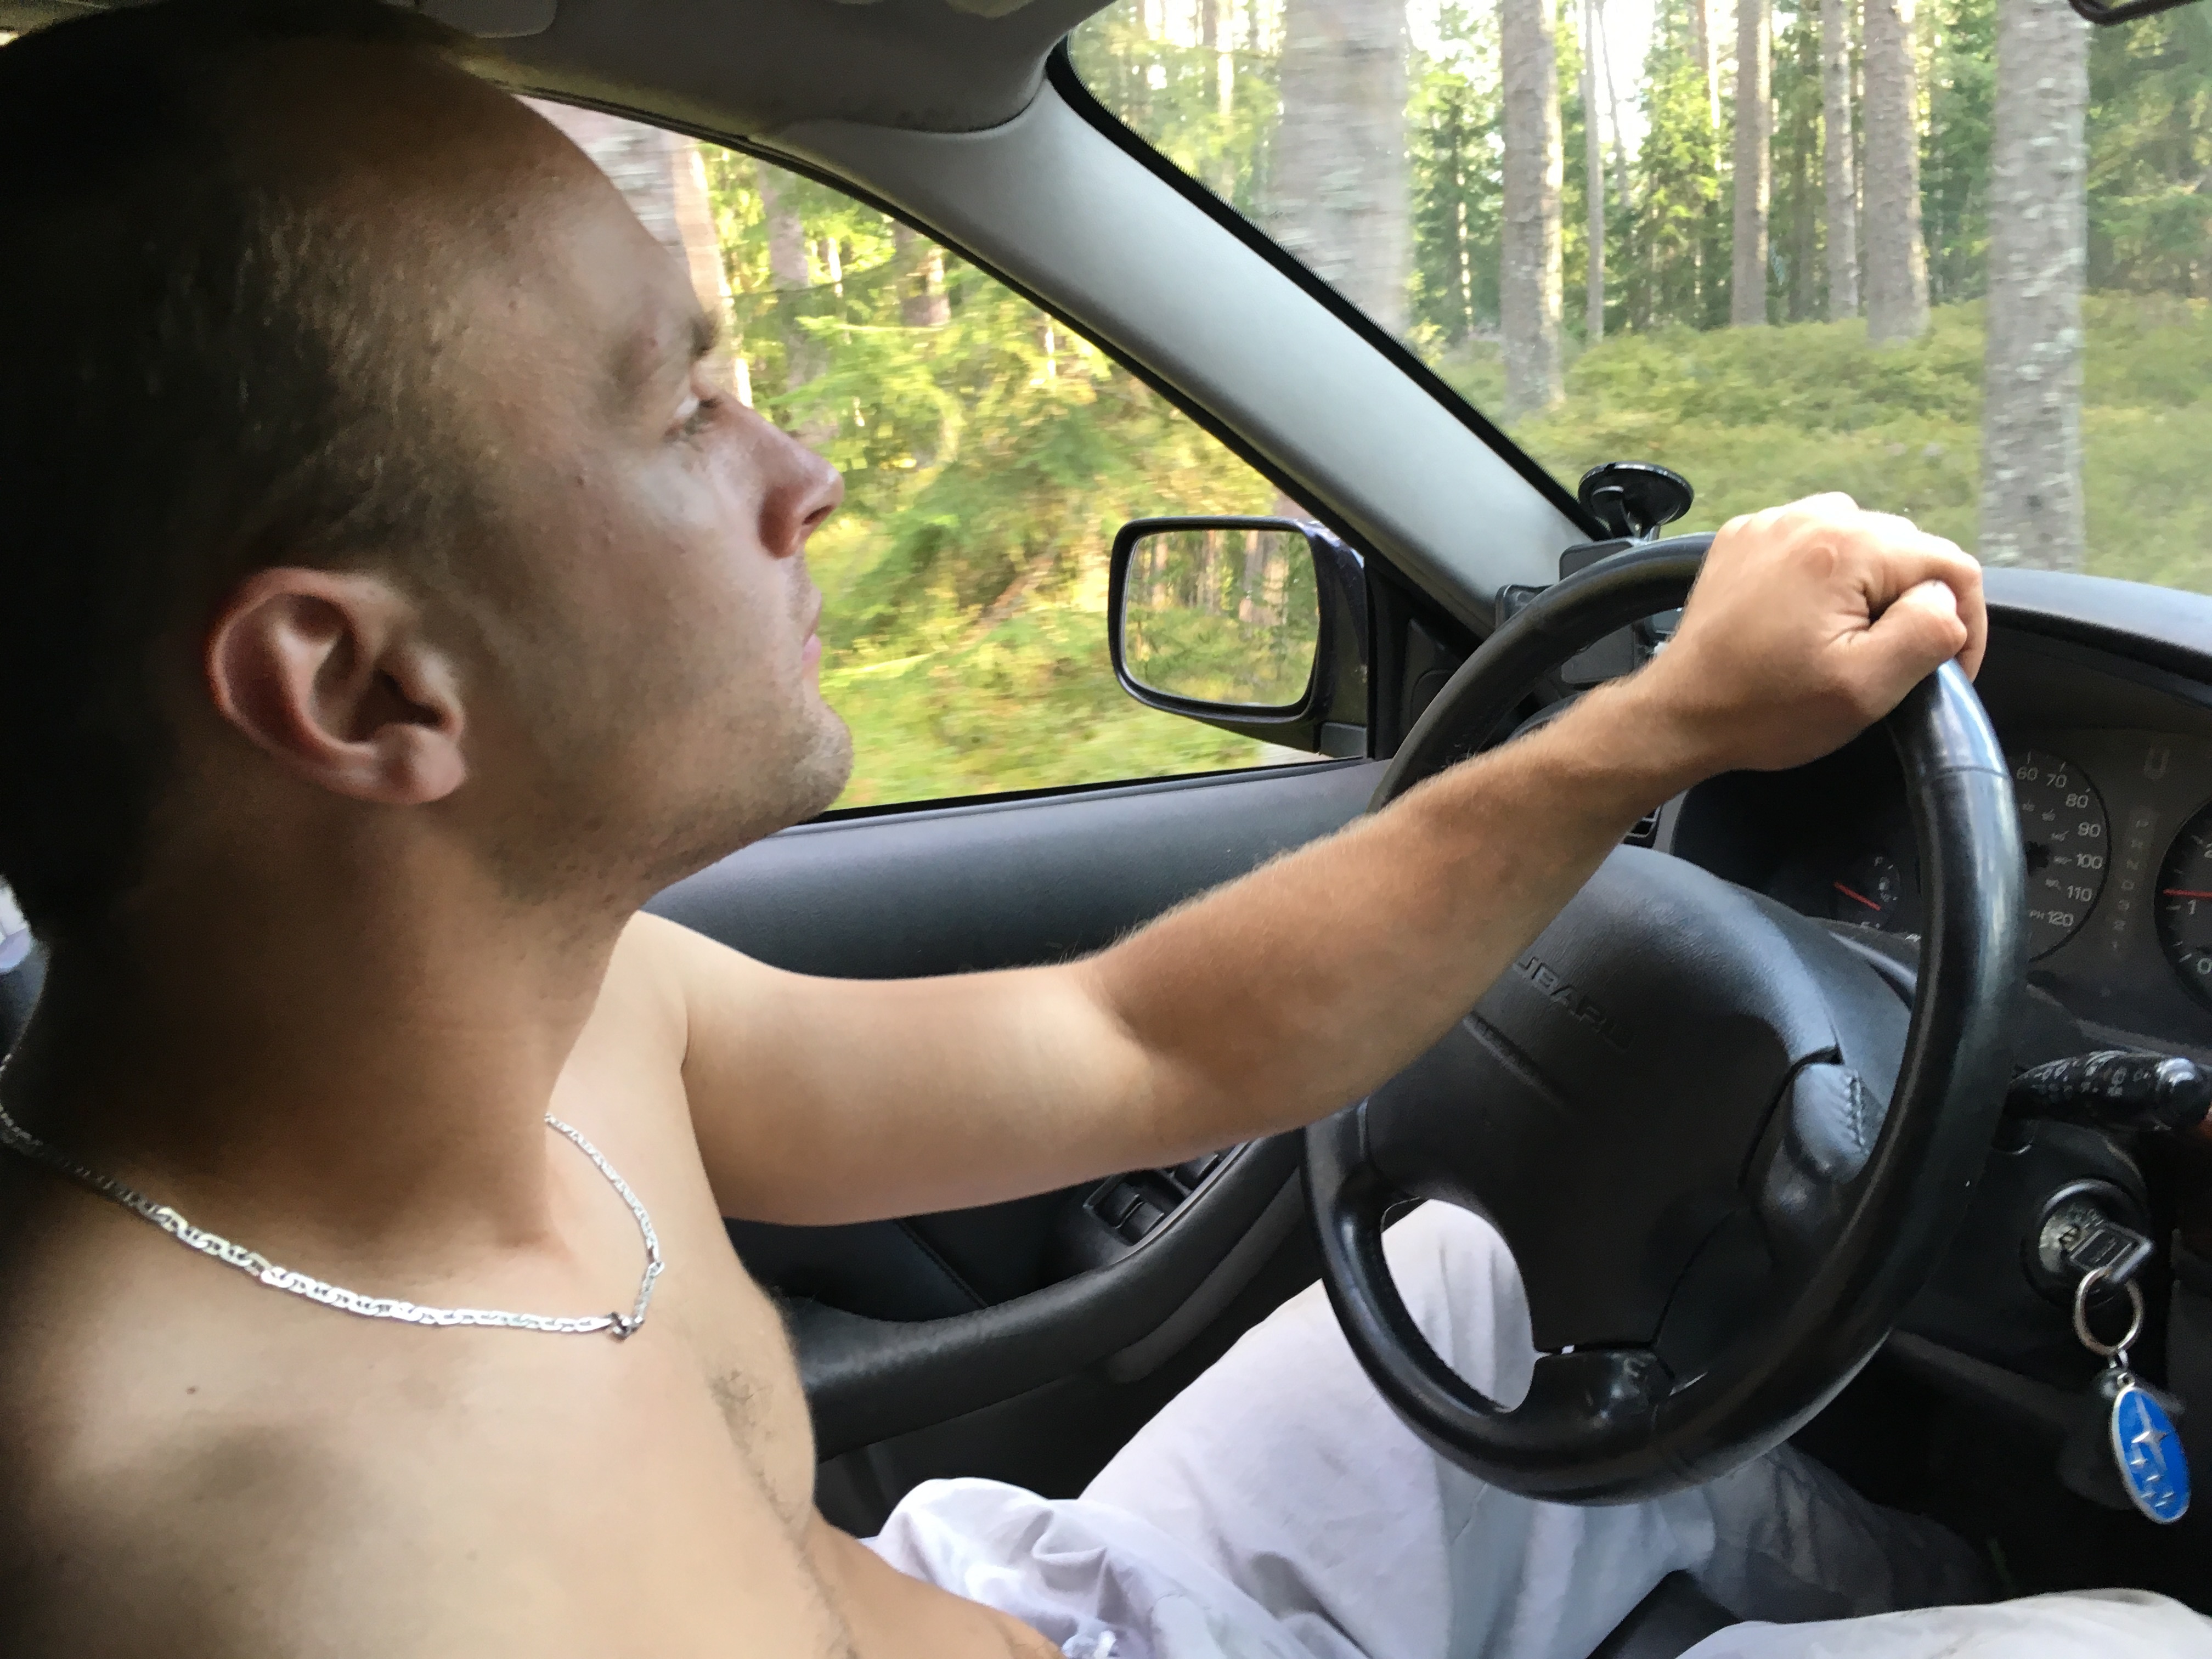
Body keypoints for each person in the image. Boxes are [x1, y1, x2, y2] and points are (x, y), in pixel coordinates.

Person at [0, 3, 2199, 1656]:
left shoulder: (560, 1014)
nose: (802, 478)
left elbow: (1137, 1040)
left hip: (1029, 1609)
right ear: (362, 689)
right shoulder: (253, 1563)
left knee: (1478, 1288)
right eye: (680, 409)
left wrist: (1659, 728)